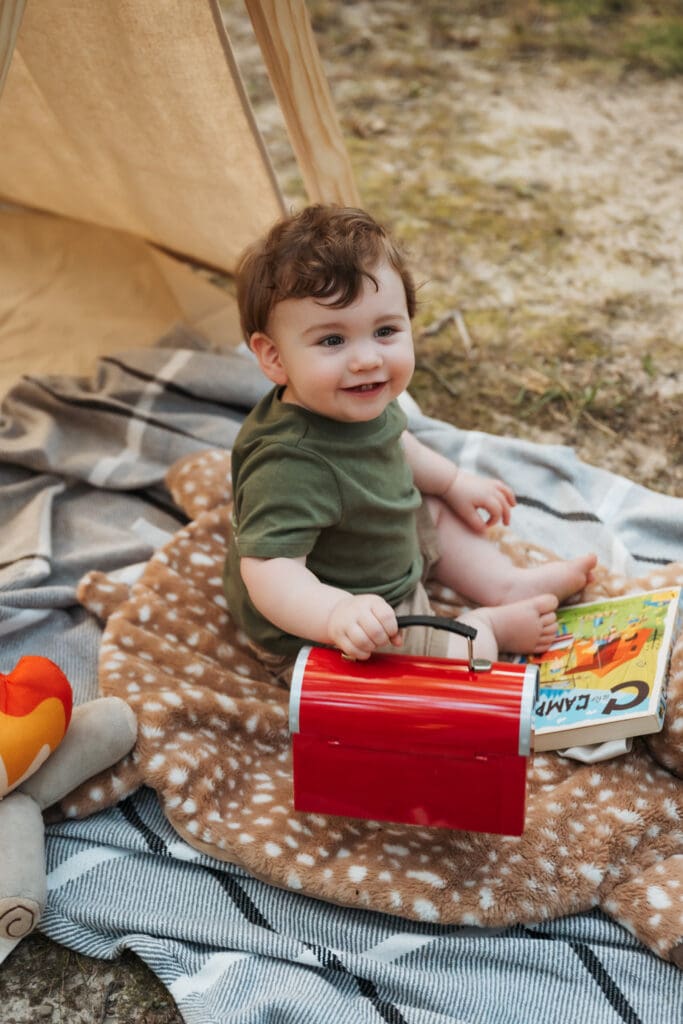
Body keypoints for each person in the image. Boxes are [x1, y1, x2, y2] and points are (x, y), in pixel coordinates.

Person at [223, 205, 596, 677]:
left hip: (371, 540)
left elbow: (395, 443)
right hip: (333, 627)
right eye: (332, 341)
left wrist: (455, 481)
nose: (367, 359)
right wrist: (337, 613)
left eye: (385, 331)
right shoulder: (288, 465)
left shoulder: (356, 396)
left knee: (433, 508)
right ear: (274, 356)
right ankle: (486, 626)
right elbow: (269, 572)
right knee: (444, 667)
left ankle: (506, 584)